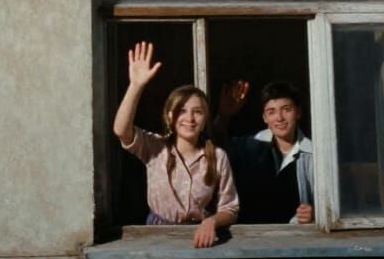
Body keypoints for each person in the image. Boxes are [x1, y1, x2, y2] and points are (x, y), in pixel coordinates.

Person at [113, 42, 238, 247]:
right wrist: (136, 85)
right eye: (181, 111)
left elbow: (230, 208)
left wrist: (211, 221)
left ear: (205, 118)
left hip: (199, 237)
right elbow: (121, 130)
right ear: (169, 116)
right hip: (156, 238)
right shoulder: (156, 148)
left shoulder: (217, 156)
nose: (189, 118)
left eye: (197, 112)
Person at [215, 79, 314, 225]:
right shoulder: (250, 146)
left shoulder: (313, 154)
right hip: (251, 236)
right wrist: (223, 116)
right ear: (264, 117)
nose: (279, 118)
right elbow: (215, 149)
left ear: (298, 112)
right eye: (271, 111)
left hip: (295, 238)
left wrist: (315, 212)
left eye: (286, 109)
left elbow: (332, 202)